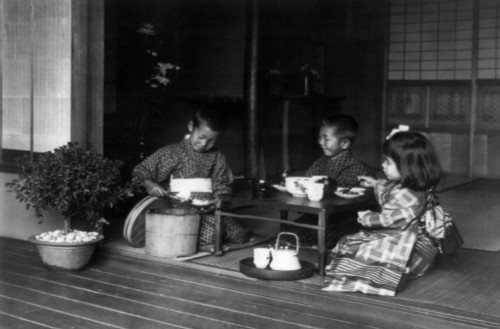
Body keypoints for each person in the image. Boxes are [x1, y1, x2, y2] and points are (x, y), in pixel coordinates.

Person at [322, 131, 443, 296]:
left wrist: (366, 217)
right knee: (349, 242)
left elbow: (388, 220)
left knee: (355, 246)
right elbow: (389, 188)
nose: (383, 165)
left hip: (411, 245)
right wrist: (375, 183)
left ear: (408, 167)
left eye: (388, 162)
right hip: (404, 234)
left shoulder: (409, 195)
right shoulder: (413, 187)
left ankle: (376, 276)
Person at [132, 105, 250, 247]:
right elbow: (140, 170)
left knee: (238, 233)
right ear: (190, 126)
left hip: (208, 208)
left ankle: (192, 233)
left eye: (211, 141)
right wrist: (149, 184)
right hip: (178, 208)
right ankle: (180, 234)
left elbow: (222, 185)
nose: (204, 144)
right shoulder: (172, 152)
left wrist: (217, 201)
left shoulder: (217, 156)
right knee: (212, 234)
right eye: (201, 137)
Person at [283, 114, 376, 248]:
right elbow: (307, 180)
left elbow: (345, 198)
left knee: (328, 236)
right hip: (316, 214)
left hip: (341, 218)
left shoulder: (356, 167)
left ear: (344, 143)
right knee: (290, 232)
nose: (321, 142)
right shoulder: (320, 162)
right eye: (320, 137)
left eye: (326, 139)